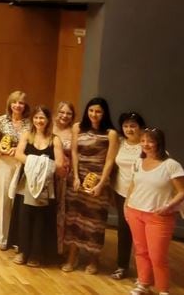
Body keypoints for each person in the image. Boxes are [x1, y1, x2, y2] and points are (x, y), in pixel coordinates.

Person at [124, 128, 184, 295]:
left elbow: (183, 191)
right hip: (134, 211)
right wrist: (126, 205)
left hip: (158, 216)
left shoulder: (171, 165)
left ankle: (163, 290)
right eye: (143, 140)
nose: (146, 144)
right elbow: (133, 185)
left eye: (150, 141)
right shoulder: (138, 162)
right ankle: (143, 283)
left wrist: (168, 206)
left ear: (159, 143)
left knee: (158, 257)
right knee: (140, 251)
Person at [62, 97, 119, 274]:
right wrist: (76, 176)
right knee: (73, 218)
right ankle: (72, 256)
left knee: (95, 221)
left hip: (98, 178)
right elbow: (74, 153)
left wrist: (102, 183)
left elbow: (110, 160)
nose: (94, 114)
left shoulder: (110, 133)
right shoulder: (77, 127)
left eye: (99, 111)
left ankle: (94, 259)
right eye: (91, 110)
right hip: (78, 177)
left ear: (104, 113)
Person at [12, 106, 63, 267]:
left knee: (41, 219)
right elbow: (19, 154)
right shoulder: (27, 135)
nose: (39, 121)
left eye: (42, 118)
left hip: (46, 185)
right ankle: (23, 251)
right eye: (36, 118)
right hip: (26, 183)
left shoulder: (54, 139)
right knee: (25, 217)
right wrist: (37, 162)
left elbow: (60, 163)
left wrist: (42, 166)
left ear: (48, 120)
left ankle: (36, 253)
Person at [111, 111, 147, 280]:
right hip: (121, 193)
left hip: (142, 196)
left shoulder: (147, 144)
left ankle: (144, 272)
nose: (129, 129)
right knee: (123, 231)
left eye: (133, 126)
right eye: (125, 126)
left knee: (142, 234)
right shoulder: (119, 142)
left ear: (141, 127)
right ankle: (122, 266)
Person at [0, 90, 31, 250]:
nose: (18, 105)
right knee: (4, 199)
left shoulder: (30, 123)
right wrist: (1, 150)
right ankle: (3, 238)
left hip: (22, 164)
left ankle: (17, 238)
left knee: (19, 200)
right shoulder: (1, 120)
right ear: (10, 103)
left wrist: (17, 150)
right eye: (15, 102)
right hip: (4, 162)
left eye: (21, 103)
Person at [53, 101, 76, 254]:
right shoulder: (49, 128)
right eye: (62, 112)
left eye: (68, 113)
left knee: (63, 212)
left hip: (64, 177)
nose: (64, 116)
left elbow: (75, 155)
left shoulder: (74, 132)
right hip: (48, 175)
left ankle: (60, 248)